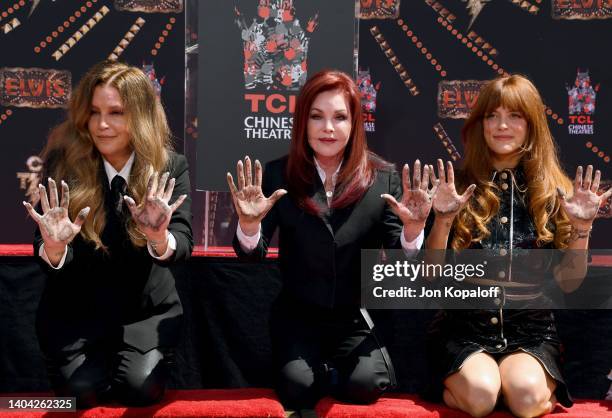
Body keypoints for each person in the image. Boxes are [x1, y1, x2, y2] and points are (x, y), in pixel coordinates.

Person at [226, 69, 431, 408]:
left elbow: (401, 263)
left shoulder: (383, 179)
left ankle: (335, 374)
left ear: (355, 125)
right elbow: (252, 255)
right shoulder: (278, 174)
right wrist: (249, 225)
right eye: (317, 117)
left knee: (365, 387)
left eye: (340, 117)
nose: (328, 128)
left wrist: (411, 231)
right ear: (302, 123)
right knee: (297, 389)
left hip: (356, 319)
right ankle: (315, 372)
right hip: (298, 316)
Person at [423, 74, 612, 417]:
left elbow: (570, 283)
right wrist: (443, 220)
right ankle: (476, 387)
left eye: (514, 116)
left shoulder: (555, 191)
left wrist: (582, 230)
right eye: (492, 116)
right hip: (466, 331)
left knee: (525, 398)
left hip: (531, 333)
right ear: (480, 124)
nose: (501, 126)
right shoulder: (457, 187)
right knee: (481, 395)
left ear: (532, 124)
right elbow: (431, 276)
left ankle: (520, 388)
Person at [22, 60, 193, 408]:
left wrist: (158, 237)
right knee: (77, 396)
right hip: (76, 317)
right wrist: (55, 246)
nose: (102, 125)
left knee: (138, 391)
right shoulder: (62, 163)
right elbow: (46, 247)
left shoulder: (169, 166)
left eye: (116, 113)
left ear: (141, 116)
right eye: (95, 112)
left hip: (145, 315)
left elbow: (182, 242)